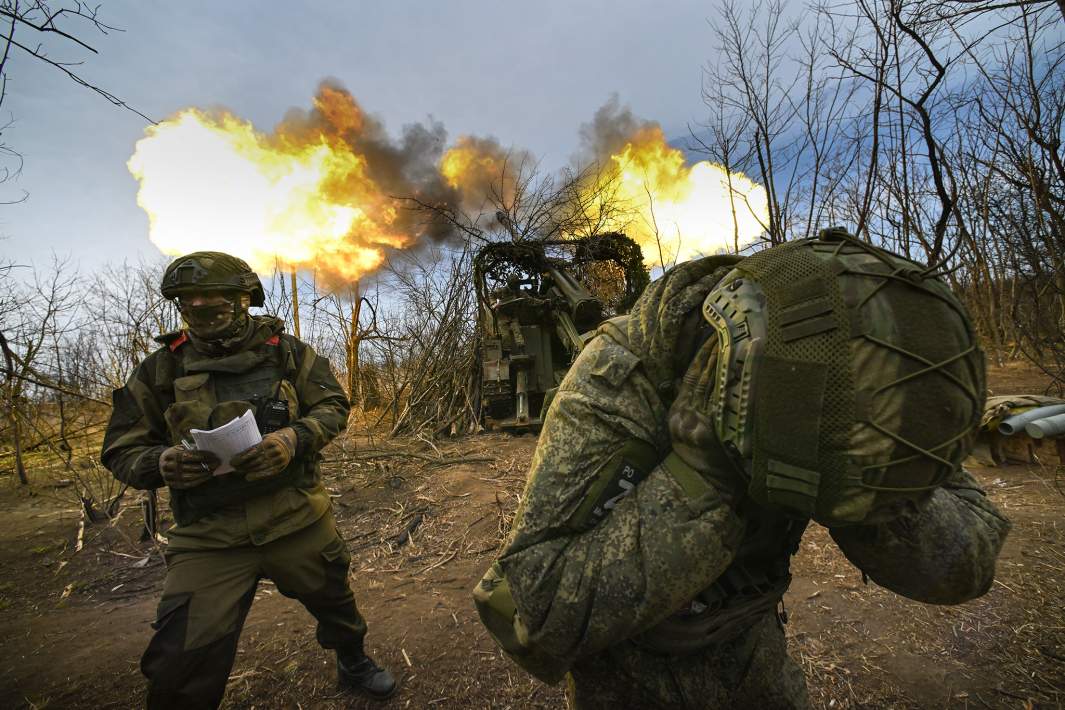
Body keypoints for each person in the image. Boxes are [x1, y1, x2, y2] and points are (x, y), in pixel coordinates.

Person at [474, 229, 1011, 709]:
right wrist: (703, 477)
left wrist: (858, 486)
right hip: (627, 680)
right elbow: (527, 613)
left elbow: (965, 564)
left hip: (754, 655)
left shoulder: (857, 366)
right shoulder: (621, 377)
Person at [101, 251, 396, 709]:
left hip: (294, 518)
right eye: (188, 304)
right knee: (180, 661)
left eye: (214, 304)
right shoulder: (160, 370)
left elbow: (333, 406)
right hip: (209, 536)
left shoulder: (288, 353)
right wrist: (160, 464)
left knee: (336, 602)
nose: (201, 312)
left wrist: (292, 441)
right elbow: (120, 448)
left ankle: (353, 660)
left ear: (244, 302)